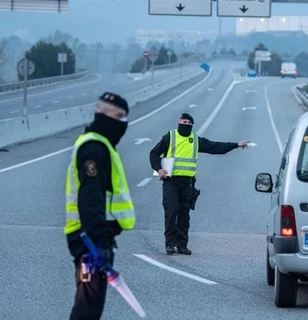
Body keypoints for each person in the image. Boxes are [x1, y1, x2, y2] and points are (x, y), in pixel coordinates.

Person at [64, 92, 136, 320]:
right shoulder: (94, 148)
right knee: (88, 307)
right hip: (89, 241)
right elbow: (90, 198)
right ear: (105, 114)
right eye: (120, 117)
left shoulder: (100, 145)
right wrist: (97, 243)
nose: (123, 124)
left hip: (93, 237)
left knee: (90, 305)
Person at [149, 113, 249, 255]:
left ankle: (182, 245)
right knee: (171, 213)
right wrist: (158, 169)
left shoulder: (195, 140)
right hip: (170, 182)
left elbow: (215, 147)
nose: (186, 124)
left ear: (192, 125)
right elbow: (154, 153)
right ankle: (170, 244)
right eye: (183, 121)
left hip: (187, 184)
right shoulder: (170, 137)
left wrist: (236, 145)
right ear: (178, 123)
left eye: (188, 123)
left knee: (184, 215)